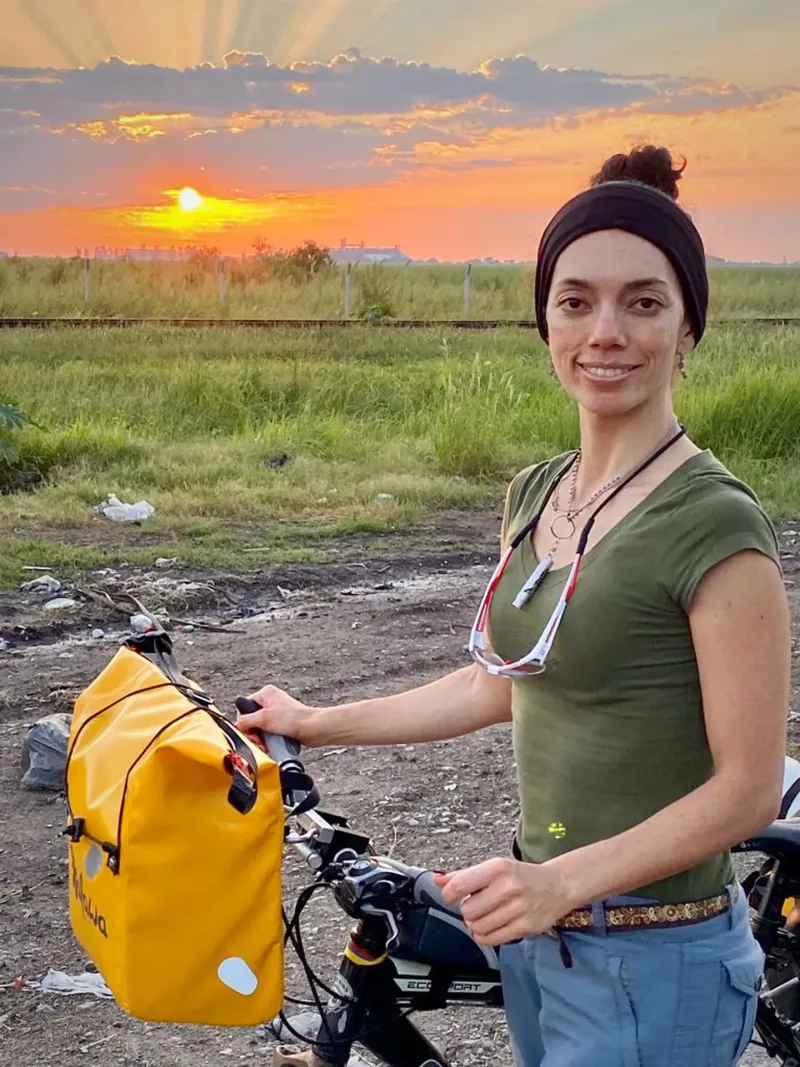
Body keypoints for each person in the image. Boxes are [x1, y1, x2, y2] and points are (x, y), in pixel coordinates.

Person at [237, 145, 792, 1066]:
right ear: (545, 323)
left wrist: (556, 883)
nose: (605, 330)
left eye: (643, 302)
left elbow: (746, 789)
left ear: (689, 326)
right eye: (576, 301)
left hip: (658, 952)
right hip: (550, 938)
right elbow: (503, 682)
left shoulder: (715, 525)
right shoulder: (539, 492)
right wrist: (315, 720)